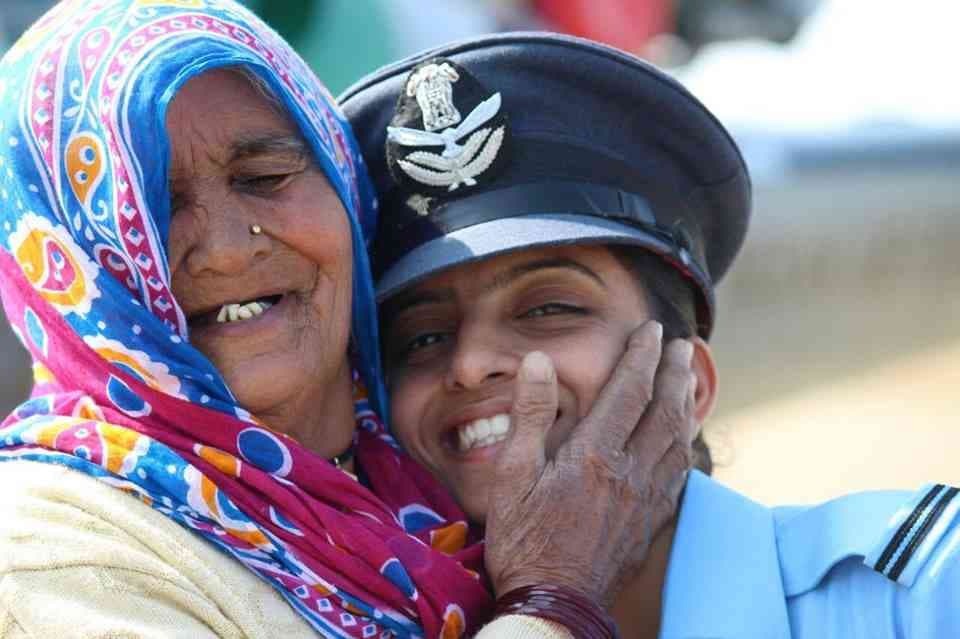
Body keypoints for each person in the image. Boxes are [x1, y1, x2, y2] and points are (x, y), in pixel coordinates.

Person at [0, 3, 697, 638]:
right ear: (61, 264)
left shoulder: (425, 477)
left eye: (265, 176)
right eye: (151, 206)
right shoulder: (52, 548)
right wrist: (554, 600)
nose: (226, 248)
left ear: (343, 190)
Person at [339, 32, 960, 638]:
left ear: (688, 384)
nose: (470, 364)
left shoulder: (924, 592)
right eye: (420, 339)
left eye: (549, 307)